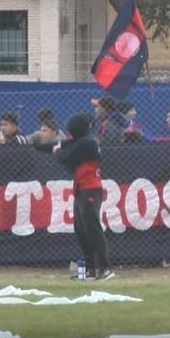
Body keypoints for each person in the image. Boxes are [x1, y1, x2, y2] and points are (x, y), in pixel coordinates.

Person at [34, 113, 114, 281]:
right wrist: (37, 146)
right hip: (81, 189)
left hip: (91, 189)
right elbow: (59, 145)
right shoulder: (79, 141)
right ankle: (89, 271)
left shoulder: (88, 142)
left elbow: (66, 157)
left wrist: (57, 152)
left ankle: (105, 268)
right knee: (81, 230)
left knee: (92, 229)